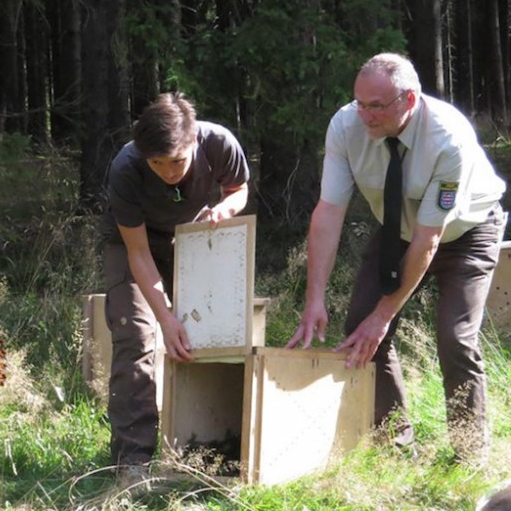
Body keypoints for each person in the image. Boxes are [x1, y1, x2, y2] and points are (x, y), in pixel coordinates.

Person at [286, 53, 506, 465]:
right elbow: (328, 213)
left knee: (455, 338)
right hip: (398, 229)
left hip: (466, 232)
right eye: (359, 103)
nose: (365, 115)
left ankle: (469, 453)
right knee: (360, 331)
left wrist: (384, 313)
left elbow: (430, 237)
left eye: (376, 106)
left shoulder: (446, 137)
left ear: (409, 99)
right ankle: (395, 447)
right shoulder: (345, 126)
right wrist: (314, 298)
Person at [101, 92, 250, 483]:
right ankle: (132, 462)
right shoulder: (126, 168)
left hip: (194, 237)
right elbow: (138, 253)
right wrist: (164, 317)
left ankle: (206, 445)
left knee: (211, 329)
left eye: (178, 162)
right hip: (134, 246)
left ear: (195, 141)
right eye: (158, 164)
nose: (169, 172)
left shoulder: (218, 142)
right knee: (137, 334)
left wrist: (225, 209)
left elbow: (239, 190)